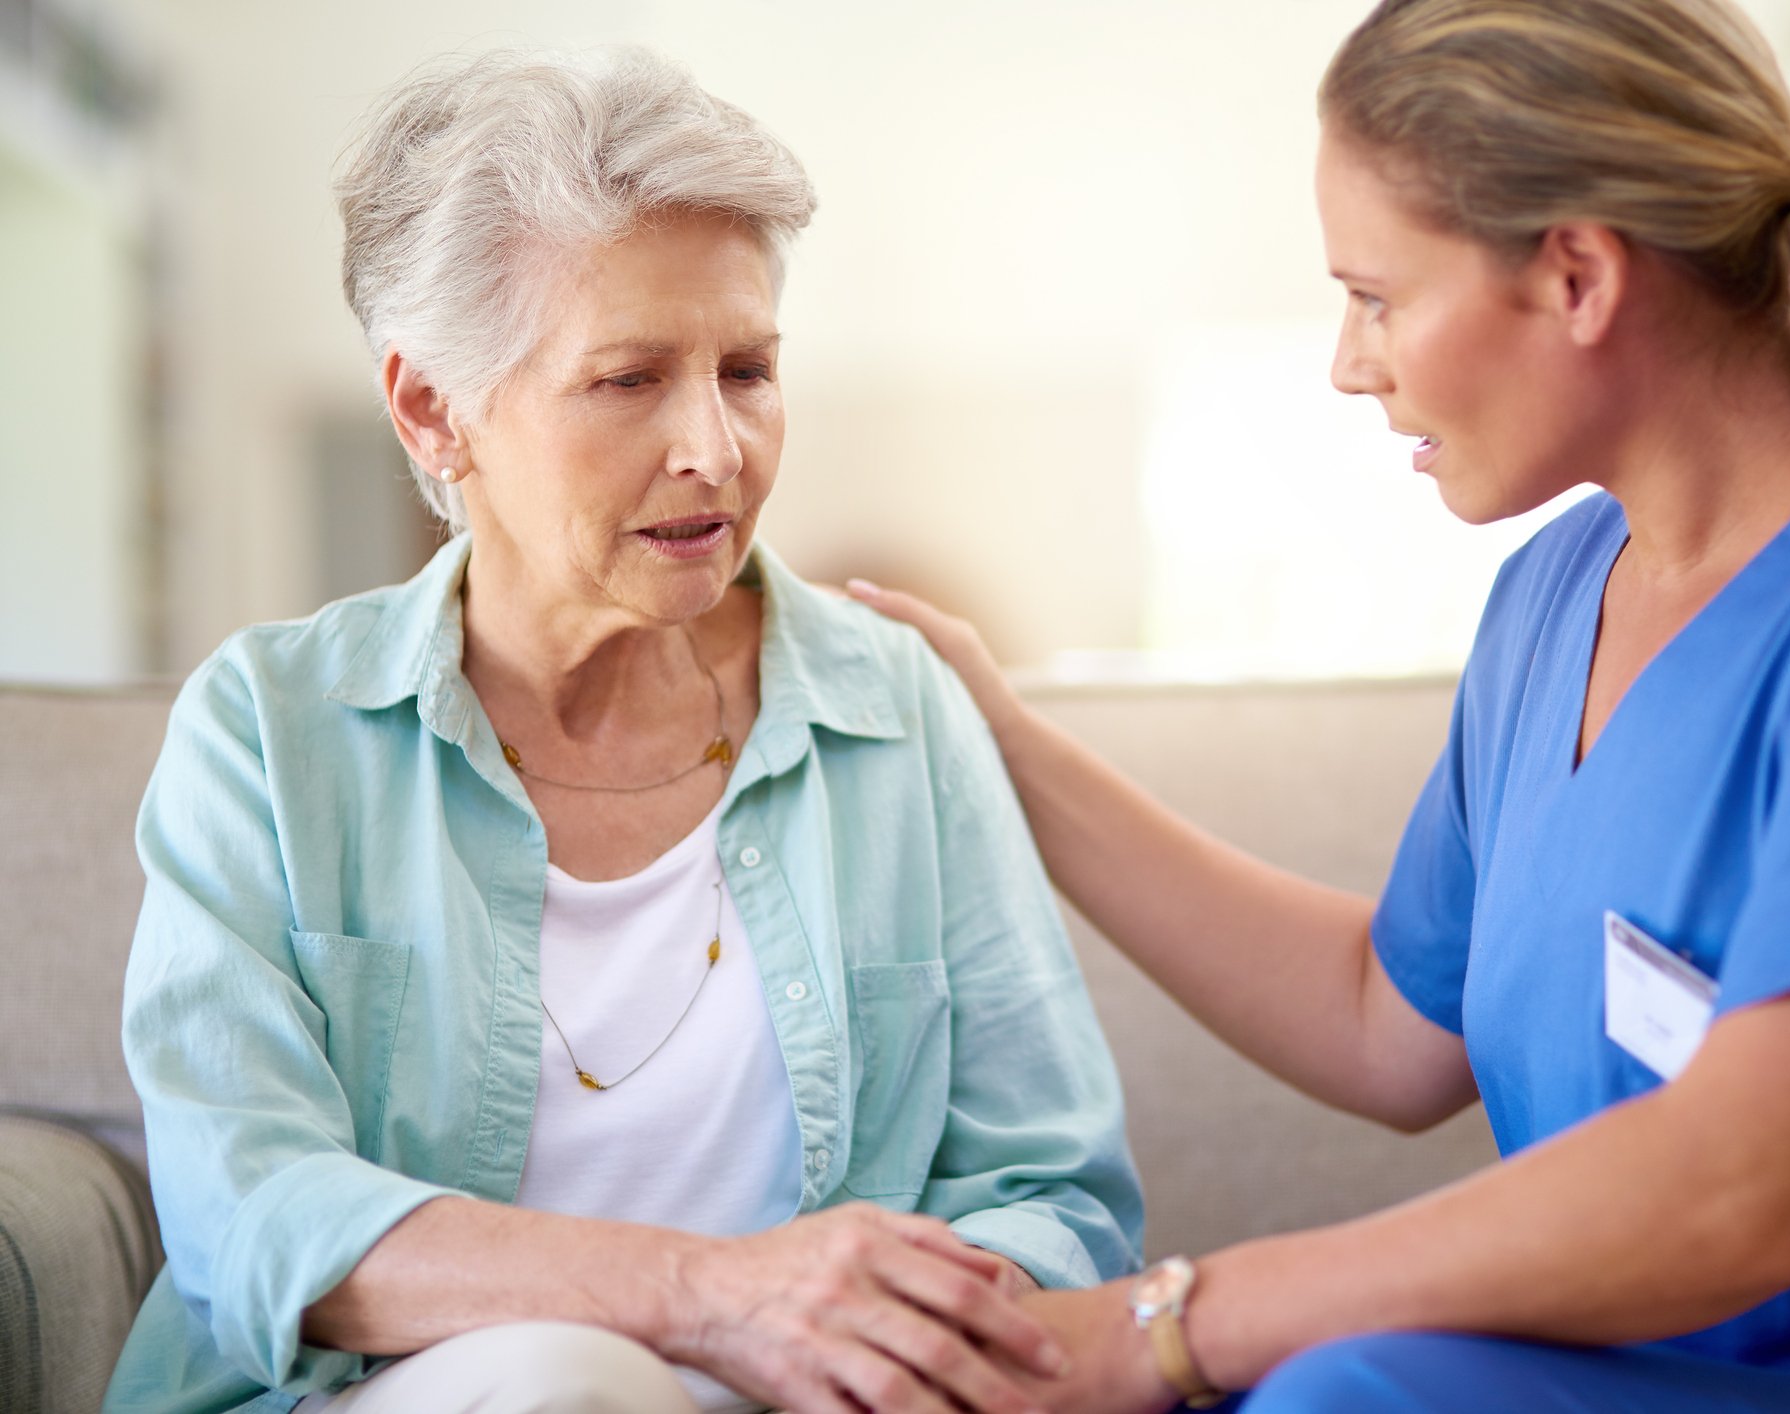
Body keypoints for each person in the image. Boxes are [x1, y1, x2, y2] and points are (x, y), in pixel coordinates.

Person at [851, 0, 1790, 1409]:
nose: (1351, 359)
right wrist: (1006, 748)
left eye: (1378, 295)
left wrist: (1182, 1319)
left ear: (1577, 274)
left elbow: (1750, 1181)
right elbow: (1384, 1018)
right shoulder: (1553, 594)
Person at [106, 47, 1140, 1414]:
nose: (715, 445)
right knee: (564, 1382)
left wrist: (856, 1346)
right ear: (432, 407)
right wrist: (712, 1299)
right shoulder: (270, 732)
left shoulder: (895, 711)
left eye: (750, 369)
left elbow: (1052, 1193)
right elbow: (255, 1214)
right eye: (629, 379)